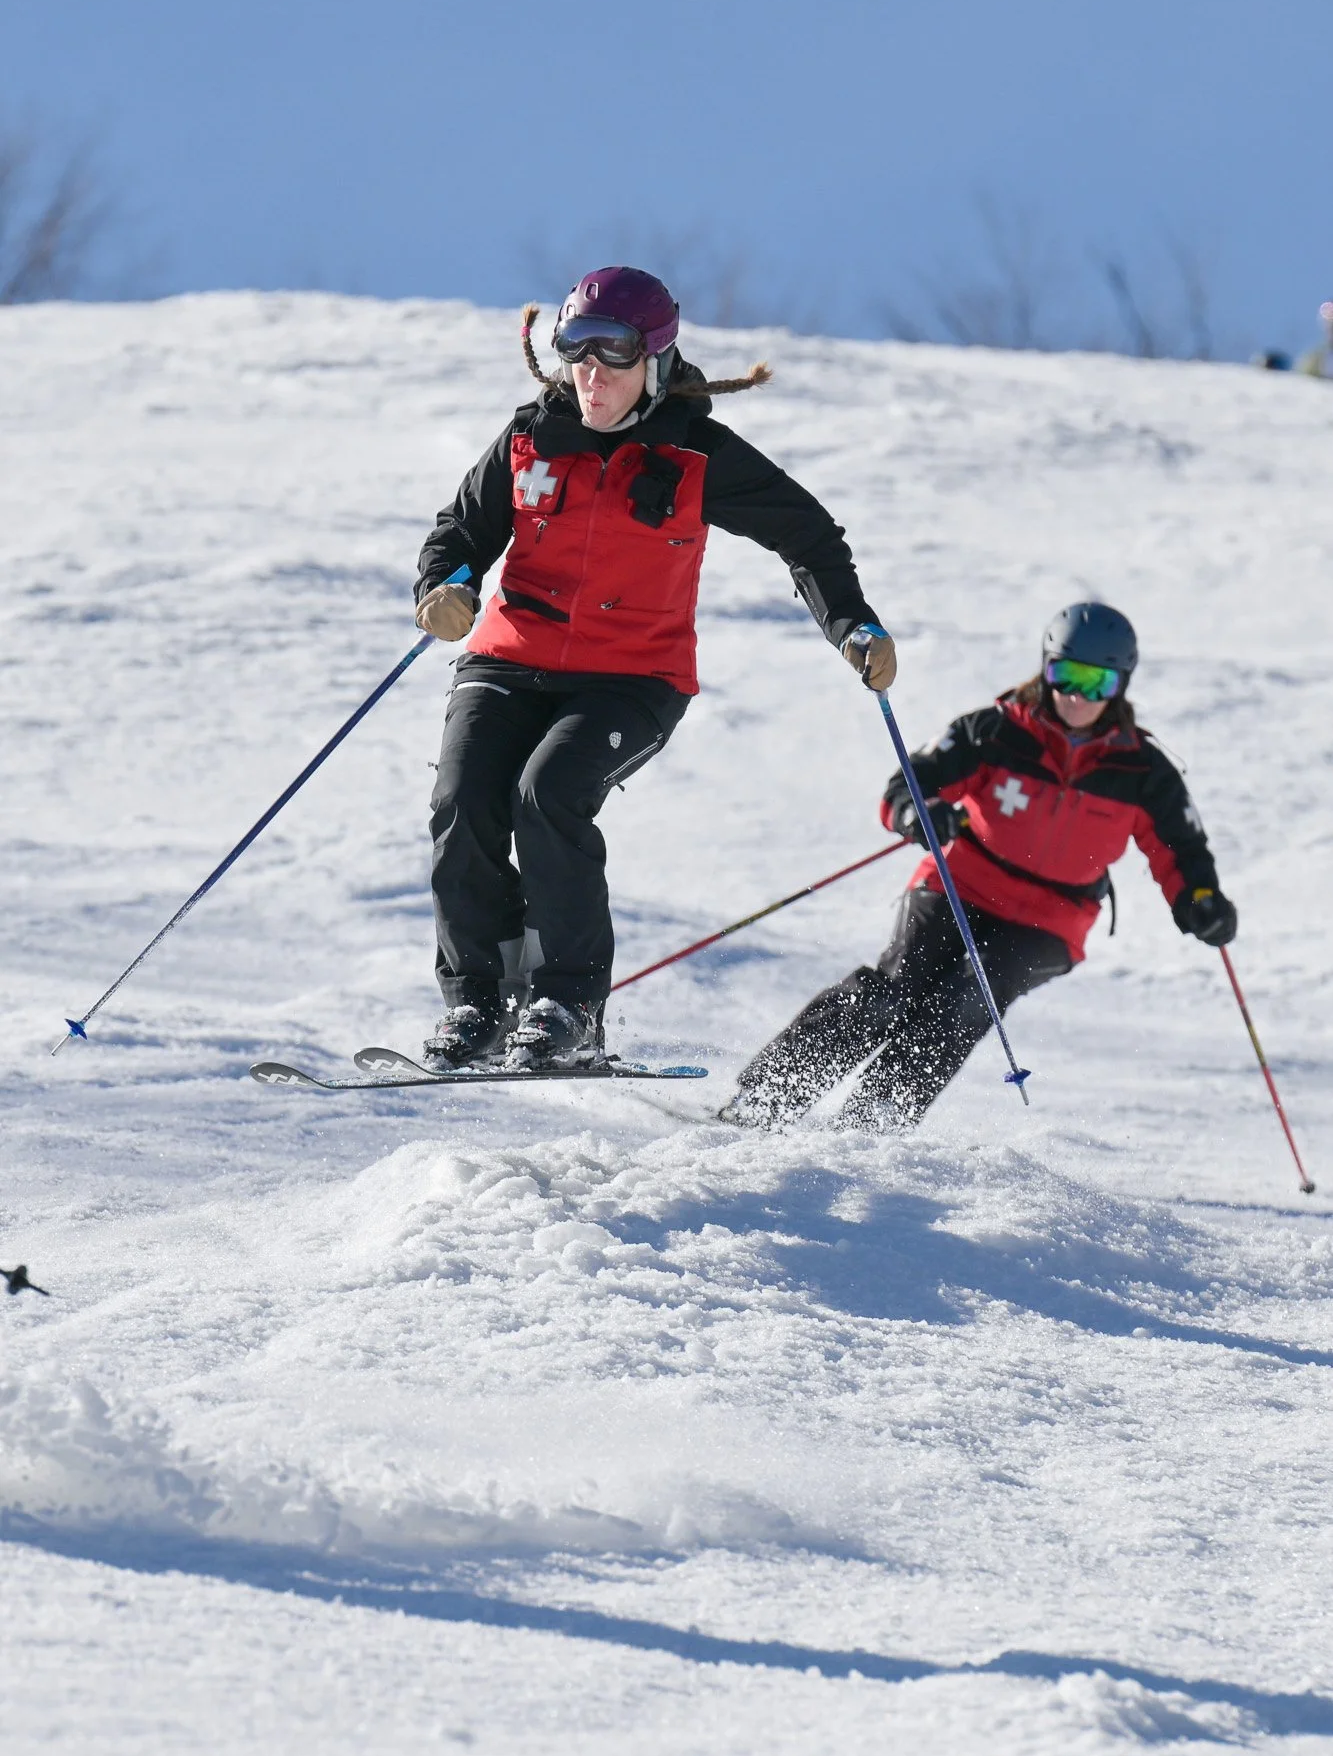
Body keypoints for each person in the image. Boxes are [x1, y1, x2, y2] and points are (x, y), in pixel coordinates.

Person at [412, 266, 897, 1068]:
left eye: (614, 352)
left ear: (656, 359)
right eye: (575, 349)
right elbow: (460, 531)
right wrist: (445, 587)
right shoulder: (530, 438)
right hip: (507, 660)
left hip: (632, 677)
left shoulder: (699, 453)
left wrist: (853, 626)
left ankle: (567, 1007)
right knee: (462, 801)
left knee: (547, 794)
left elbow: (808, 536)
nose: (591, 373)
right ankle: (479, 1006)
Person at [721, 602, 1237, 1130]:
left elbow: (1182, 850)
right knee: (896, 988)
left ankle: (870, 1124)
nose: (1078, 696)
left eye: (1097, 682)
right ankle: (765, 1098)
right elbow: (908, 785)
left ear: (1121, 685)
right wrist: (918, 814)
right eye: (1066, 675)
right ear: (1046, 668)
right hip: (959, 884)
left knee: (969, 997)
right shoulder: (996, 731)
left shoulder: (1143, 771)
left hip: (1052, 921)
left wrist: (1200, 901)